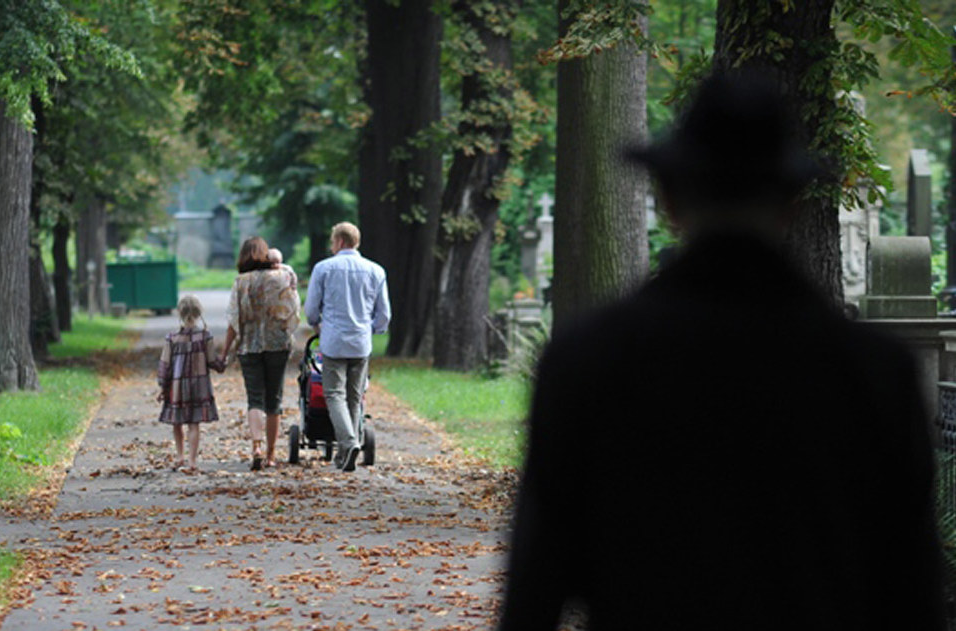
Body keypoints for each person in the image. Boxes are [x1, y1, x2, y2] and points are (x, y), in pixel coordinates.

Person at [499, 72, 948, 631]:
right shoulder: (874, 369)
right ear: (791, 201)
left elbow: (538, 581)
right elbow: (912, 587)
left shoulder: (588, 356)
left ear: (668, 199)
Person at [304, 222, 390, 472]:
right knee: (355, 396)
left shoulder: (324, 268)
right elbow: (383, 313)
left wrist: (316, 325)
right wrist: (371, 329)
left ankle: (349, 442)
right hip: (361, 343)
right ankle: (346, 452)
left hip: (333, 342)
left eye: (333, 242)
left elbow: (311, 309)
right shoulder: (375, 270)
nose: (332, 247)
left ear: (340, 241)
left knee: (334, 395)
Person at [221, 236, 300, 471]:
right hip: (277, 345)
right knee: (273, 400)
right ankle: (271, 455)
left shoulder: (240, 282)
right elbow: (293, 296)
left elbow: (233, 322)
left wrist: (225, 351)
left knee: (254, 399)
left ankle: (255, 447)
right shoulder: (283, 276)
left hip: (249, 346)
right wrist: (277, 261)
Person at [156, 295, 225, 474]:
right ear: (199, 313)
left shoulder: (172, 339)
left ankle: (180, 456)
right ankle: (192, 460)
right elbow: (212, 361)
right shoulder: (205, 337)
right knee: (194, 424)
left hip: (177, 387)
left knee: (177, 422)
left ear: (179, 313)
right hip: (198, 386)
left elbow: (165, 366)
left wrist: (163, 388)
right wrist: (223, 363)